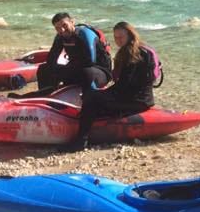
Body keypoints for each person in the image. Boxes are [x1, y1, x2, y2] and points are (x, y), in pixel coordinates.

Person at [65, 21, 156, 151]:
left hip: (137, 101)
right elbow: (124, 85)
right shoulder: (130, 51)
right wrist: (106, 94)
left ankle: (81, 140)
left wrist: (101, 95)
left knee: (92, 98)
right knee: (94, 97)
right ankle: (90, 127)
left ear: (130, 36)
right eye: (115, 37)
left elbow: (127, 85)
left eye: (121, 37)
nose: (118, 40)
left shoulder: (136, 55)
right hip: (137, 97)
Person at [34, 12, 112, 93]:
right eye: (57, 28)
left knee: (86, 72)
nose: (62, 30)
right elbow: (51, 59)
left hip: (99, 72)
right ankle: (46, 95)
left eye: (64, 25)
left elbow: (90, 61)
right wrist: (55, 74)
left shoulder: (85, 33)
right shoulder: (60, 37)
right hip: (78, 70)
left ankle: (90, 98)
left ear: (72, 22)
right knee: (44, 69)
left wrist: (68, 71)